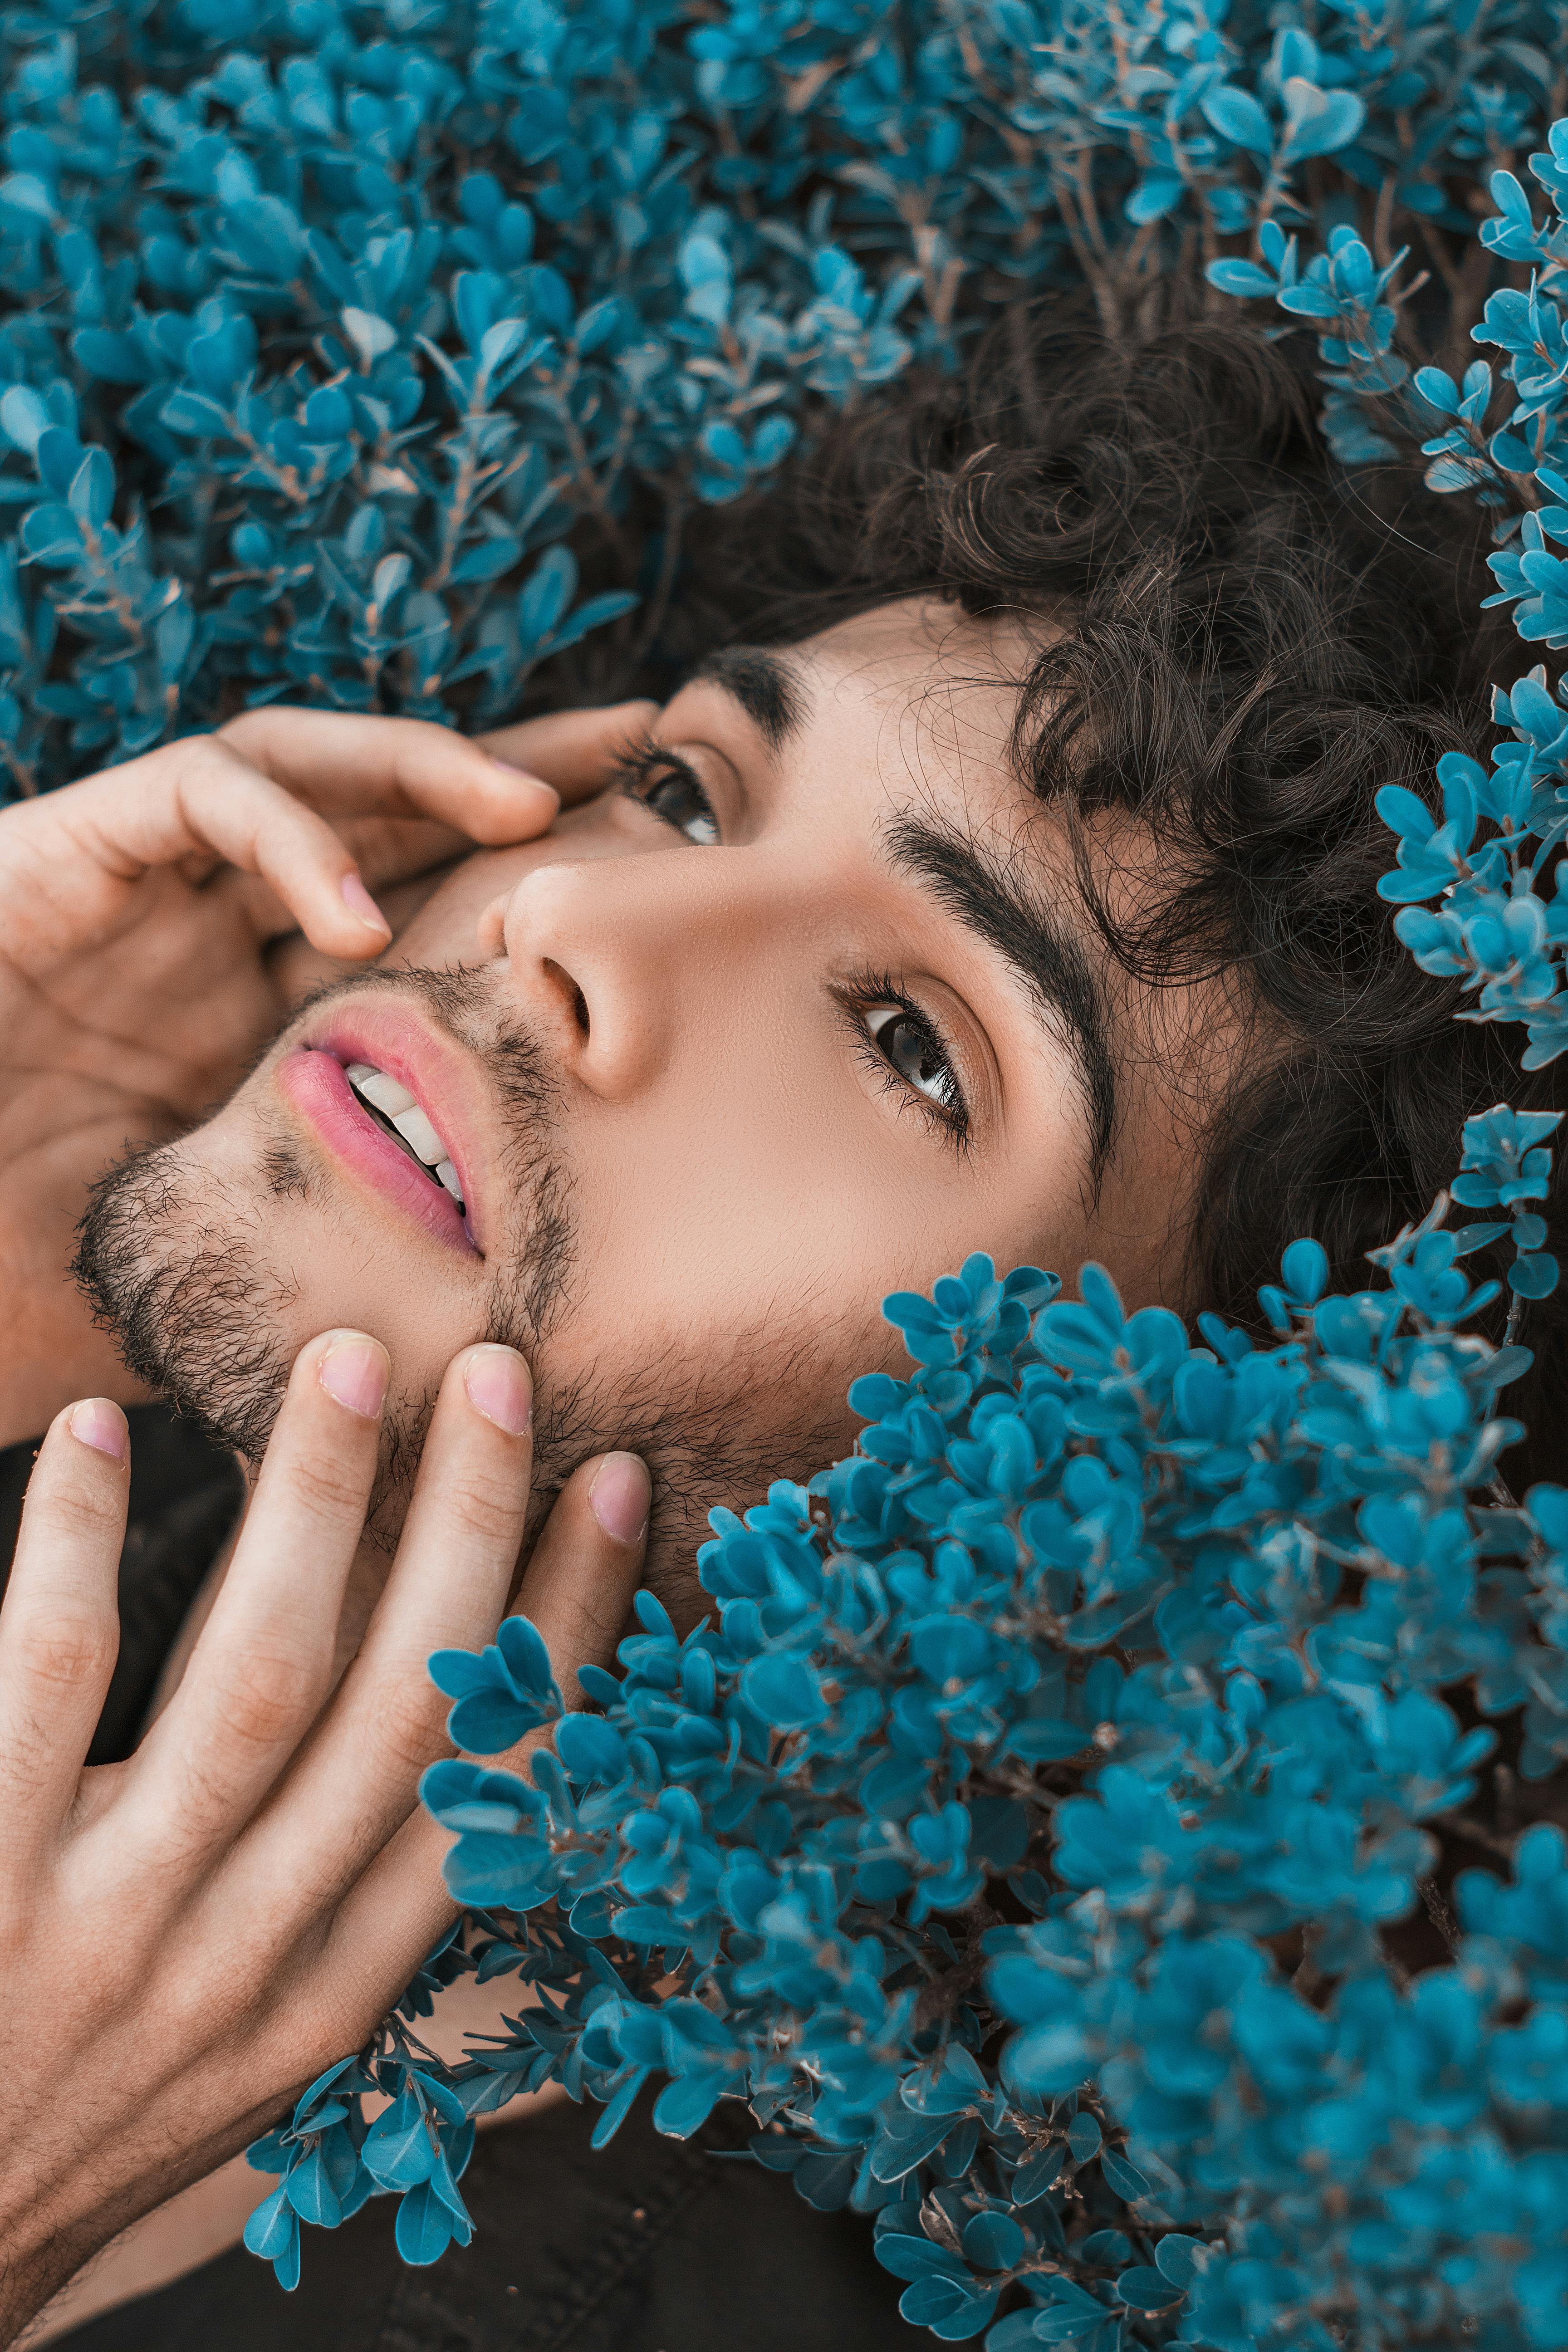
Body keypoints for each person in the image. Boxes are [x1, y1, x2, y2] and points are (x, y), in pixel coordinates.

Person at [0, 309, 1558, 2346]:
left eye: (910, 1044)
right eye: (686, 787)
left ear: (1139, 1526)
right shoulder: (102, 1501)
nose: (566, 925)